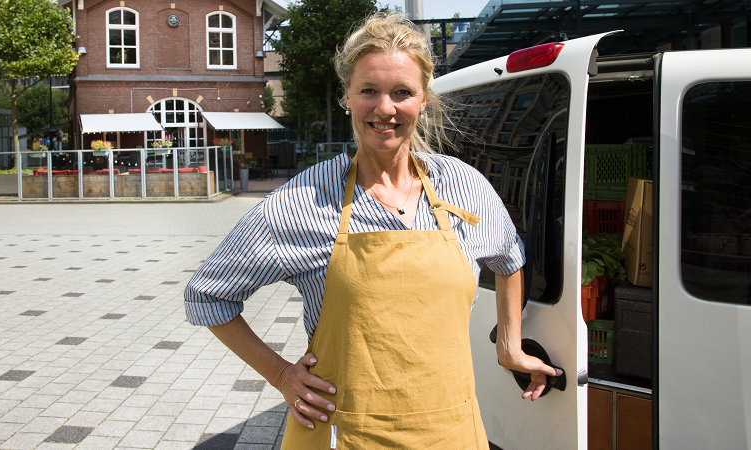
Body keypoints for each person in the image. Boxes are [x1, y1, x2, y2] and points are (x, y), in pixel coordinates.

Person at [185, 13, 560, 449]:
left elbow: (508, 255)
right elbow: (207, 294)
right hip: (344, 434)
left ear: (423, 100)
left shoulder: (462, 184)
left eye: (402, 92)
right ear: (347, 96)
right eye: (369, 91)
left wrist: (509, 346)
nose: (385, 108)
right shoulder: (304, 199)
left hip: (449, 430)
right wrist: (283, 375)